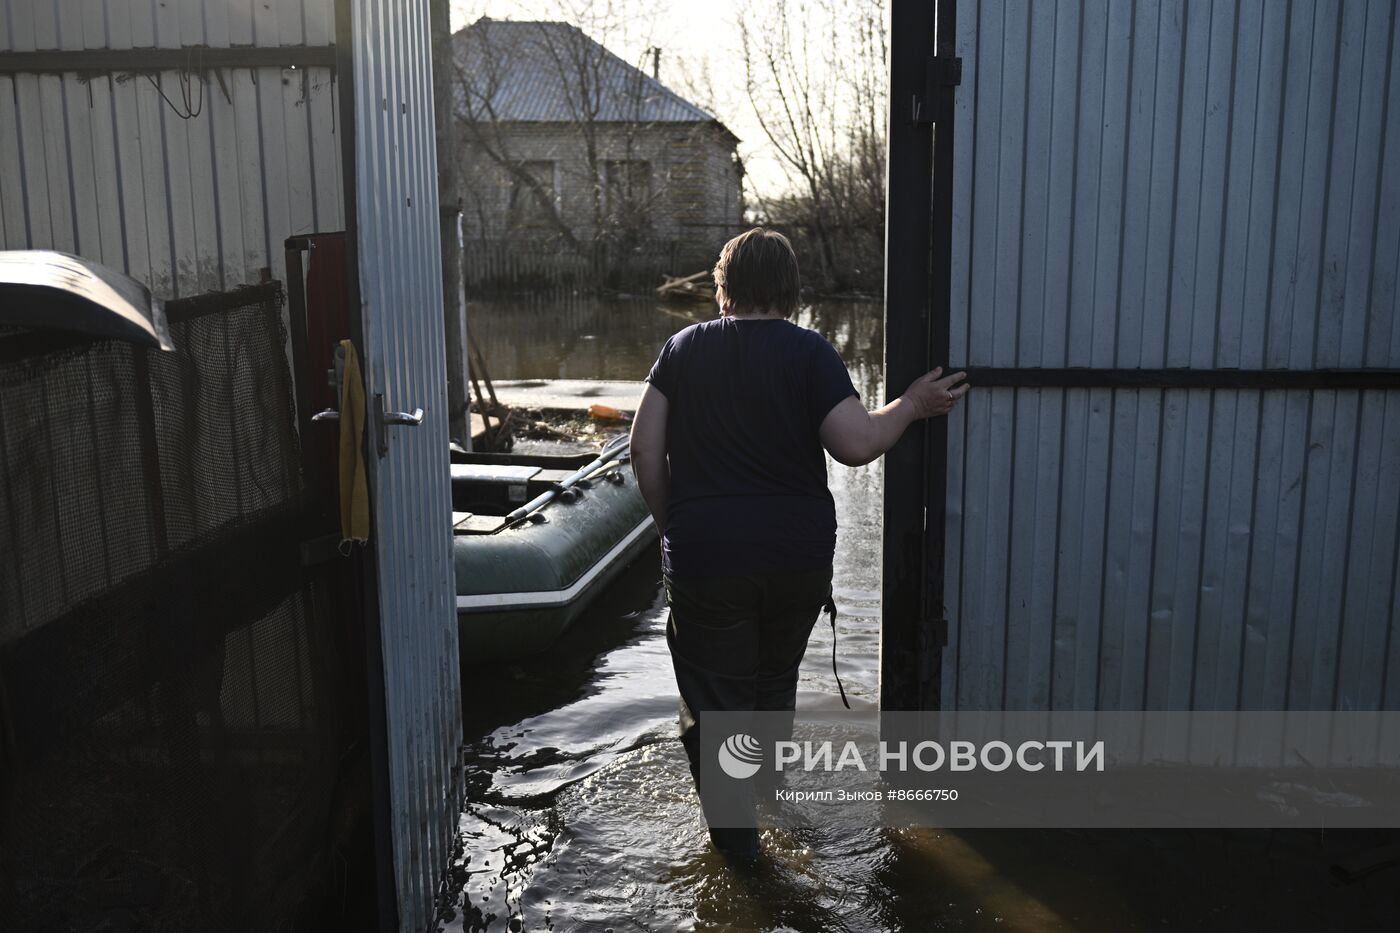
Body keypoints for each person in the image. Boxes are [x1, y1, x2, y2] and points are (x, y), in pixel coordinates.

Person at [629, 227, 969, 859]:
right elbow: (857, 443)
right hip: (796, 558)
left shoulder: (682, 349)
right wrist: (914, 405)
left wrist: (671, 521)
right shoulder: (810, 352)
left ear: (722, 289)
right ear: (789, 290)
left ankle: (741, 860)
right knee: (772, 681)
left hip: (709, 557)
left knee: (717, 704)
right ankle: (770, 800)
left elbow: (644, 447)